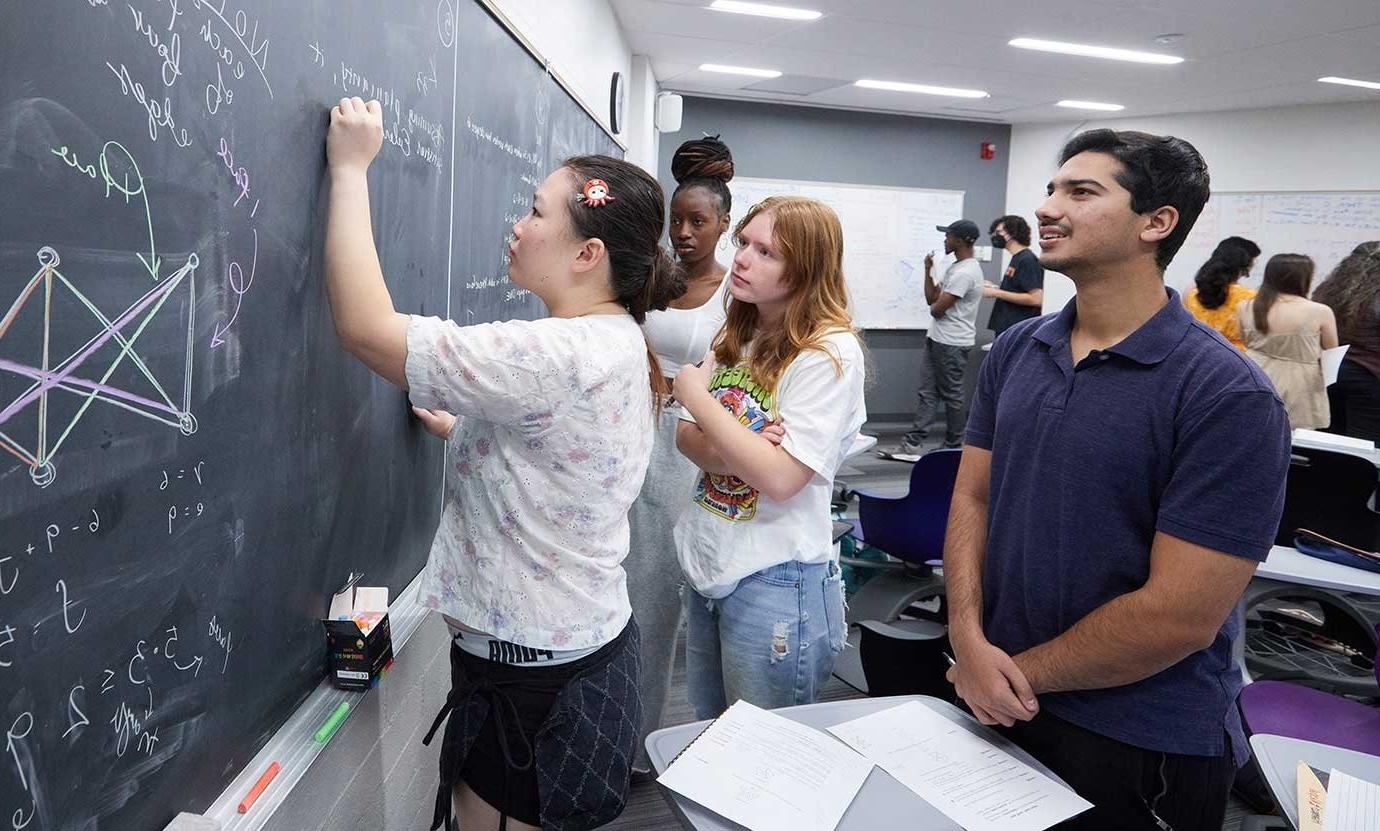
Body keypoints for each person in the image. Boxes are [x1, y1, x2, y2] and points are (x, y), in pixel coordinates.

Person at [322, 97, 687, 831]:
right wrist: (468, 430)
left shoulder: (555, 354)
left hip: (533, 685)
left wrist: (350, 168)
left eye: (536, 211)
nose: (517, 223)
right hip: (575, 654)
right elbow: (564, 459)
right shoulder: (615, 339)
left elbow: (364, 329)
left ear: (588, 255)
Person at [944, 128, 1290, 830]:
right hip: (997, 694)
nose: (1049, 206)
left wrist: (1010, 673)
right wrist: (966, 634)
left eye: (1082, 191)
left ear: (1156, 223)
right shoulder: (1018, 350)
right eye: (1052, 188)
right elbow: (972, 495)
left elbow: (1179, 615)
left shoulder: (1226, 394)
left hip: (1139, 737)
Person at [671, 196, 865, 719]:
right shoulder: (740, 329)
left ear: (805, 270)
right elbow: (686, 441)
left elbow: (780, 480)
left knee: (763, 750)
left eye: (766, 252)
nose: (742, 259)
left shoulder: (828, 352)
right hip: (712, 564)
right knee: (713, 731)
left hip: (775, 578)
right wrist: (749, 447)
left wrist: (697, 398)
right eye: (744, 244)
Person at [625, 135, 733, 772]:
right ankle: (614, 726)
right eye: (677, 222)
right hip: (631, 425)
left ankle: (641, 747)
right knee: (626, 584)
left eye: (699, 222)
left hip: (687, 440)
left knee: (662, 590)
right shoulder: (652, 275)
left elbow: (734, 368)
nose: (685, 233)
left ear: (724, 221)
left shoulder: (733, 291)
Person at [899, 219, 984, 453]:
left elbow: (937, 309)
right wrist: (928, 270)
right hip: (938, 339)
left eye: (949, 236)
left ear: (961, 240)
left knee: (952, 395)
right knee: (927, 392)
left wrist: (938, 299)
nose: (945, 240)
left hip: (952, 343)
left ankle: (954, 445)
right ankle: (914, 440)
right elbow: (931, 298)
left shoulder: (966, 272)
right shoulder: (955, 267)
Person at [1239, 254, 1338, 429]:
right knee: (1293, 440)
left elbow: (1244, 341)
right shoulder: (1320, 311)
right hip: (1300, 384)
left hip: (1254, 376)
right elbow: (1332, 353)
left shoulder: (1246, 307)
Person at [1313, 241, 1380, 442]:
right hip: (1368, 377)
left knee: (1330, 439)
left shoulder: (1329, 290)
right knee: (1365, 445)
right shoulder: (1374, 297)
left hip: (1330, 371)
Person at [1183, 237, 1259, 349]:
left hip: (1198, 352)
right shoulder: (1249, 297)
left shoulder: (1192, 292)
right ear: (1245, 264)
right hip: (1236, 358)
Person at [983, 214, 1045, 336]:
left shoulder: (1027, 260)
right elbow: (1017, 289)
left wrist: (996, 293)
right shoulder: (1017, 258)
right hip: (1008, 327)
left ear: (1013, 233)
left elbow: (1036, 299)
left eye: (999, 232)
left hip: (1018, 330)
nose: (994, 236)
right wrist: (995, 288)